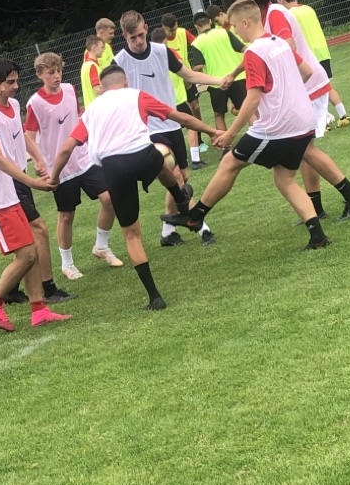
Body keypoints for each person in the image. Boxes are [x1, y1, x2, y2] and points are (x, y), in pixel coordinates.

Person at [161, 0, 333, 251]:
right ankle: (318, 236)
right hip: (303, 122)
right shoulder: (280, 43)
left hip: (277, 126)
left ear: (245, 22)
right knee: (285, 179)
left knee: (230, 163)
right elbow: (306, 71)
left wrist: (231, 133)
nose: (234, 31)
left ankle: (194, 216)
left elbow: (252, 98)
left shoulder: (254, 52)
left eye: (234, 26)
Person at [50, 64, 221, 310]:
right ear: (126, 82)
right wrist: (213, 131)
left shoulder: (91, 111)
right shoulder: (136, 95)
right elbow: (180, 117)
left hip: (114, 168)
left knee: (131, 234)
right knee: (160, 157)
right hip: (143, 155)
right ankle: (181, 199)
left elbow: (67, 148)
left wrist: (54, 177)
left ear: (102, 88)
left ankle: (155, 297)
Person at [220, 0, 350, 222]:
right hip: (299, 85)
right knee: (304, 150)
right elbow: (260, 51)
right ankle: (318, 207)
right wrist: (234, 73)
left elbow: (287, 46)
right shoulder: (264, 18)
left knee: (306, 149)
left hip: (306, 83)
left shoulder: (275, 13)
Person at [0, 60, 72, 332]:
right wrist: (33, 182)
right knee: (27, 253)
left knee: (31, 249)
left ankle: (39, 309)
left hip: (5, 195)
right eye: (1, 84)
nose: (4, 89)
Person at [114, 11, 225, 248]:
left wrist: (218, 80)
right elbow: (113, 98)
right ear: (124, 36)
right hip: (146, 130)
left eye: (141, 35)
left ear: (146, 28)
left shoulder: (162, 52)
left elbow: (188, 74)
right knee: (174, 175)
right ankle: (201, 226)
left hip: (171, 123)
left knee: (181, 178)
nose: (139, 41)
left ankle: (168, 231)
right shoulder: (119, 62)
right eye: (133, 38)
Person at [25, 51, 123, 280]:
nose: (57, 76)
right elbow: (29, 136)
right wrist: (39, 161)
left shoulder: (70, 89)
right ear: (40, 74)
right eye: (51, 72)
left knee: (110, 199)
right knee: (67, 215)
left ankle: (101, 246)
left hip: (84, 159)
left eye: (59, 70)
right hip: (60, 169)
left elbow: (79, 121)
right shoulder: (35, 103)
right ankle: (67, 263)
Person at [0, 60, 74, 305]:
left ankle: (12, 290)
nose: (16, 86)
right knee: (39, 229)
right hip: (8, 181)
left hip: (20, 178)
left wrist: (38, 158)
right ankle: (48, 288)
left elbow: (21, 135)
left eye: (16, 80)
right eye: (10, 82)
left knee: (26, 236)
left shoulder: (14, 105)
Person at [275, 0, 350, 127]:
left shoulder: (289, 15)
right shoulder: (308, 9)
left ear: (281, 0)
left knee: (309, 91)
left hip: (308, 56)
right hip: (323, 51)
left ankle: (323, 122)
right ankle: (343, 115)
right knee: (326, 87)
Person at [160, 12, 208, 169]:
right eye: (170, 30)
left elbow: (197, 44)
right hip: (177, 86)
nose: (173, 32)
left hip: (186, 78)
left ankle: (199, 141)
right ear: (163, 28)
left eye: (175, 28)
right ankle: (190, 156)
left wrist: (199, 62)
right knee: (183, 120)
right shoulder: (162, 47)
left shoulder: (183, 32)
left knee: (195, 108)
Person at [189, 11, 247, 132]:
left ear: (196, 26)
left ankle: (225, 143)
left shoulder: (196, 43)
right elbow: (243, 48)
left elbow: (199, 66)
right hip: (236, 77)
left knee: (219, 115)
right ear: (210, 21)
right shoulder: (225, 32)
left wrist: (190, 73)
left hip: (216, 83)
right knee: (248, 111)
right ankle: (262, 137)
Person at [80, 35, 105, 107]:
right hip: (97, 108)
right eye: (102, 47)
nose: (103, 50)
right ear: (94, 48)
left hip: (90, 107)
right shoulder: (92, 66)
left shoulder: (85, 65)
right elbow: (97, 89)